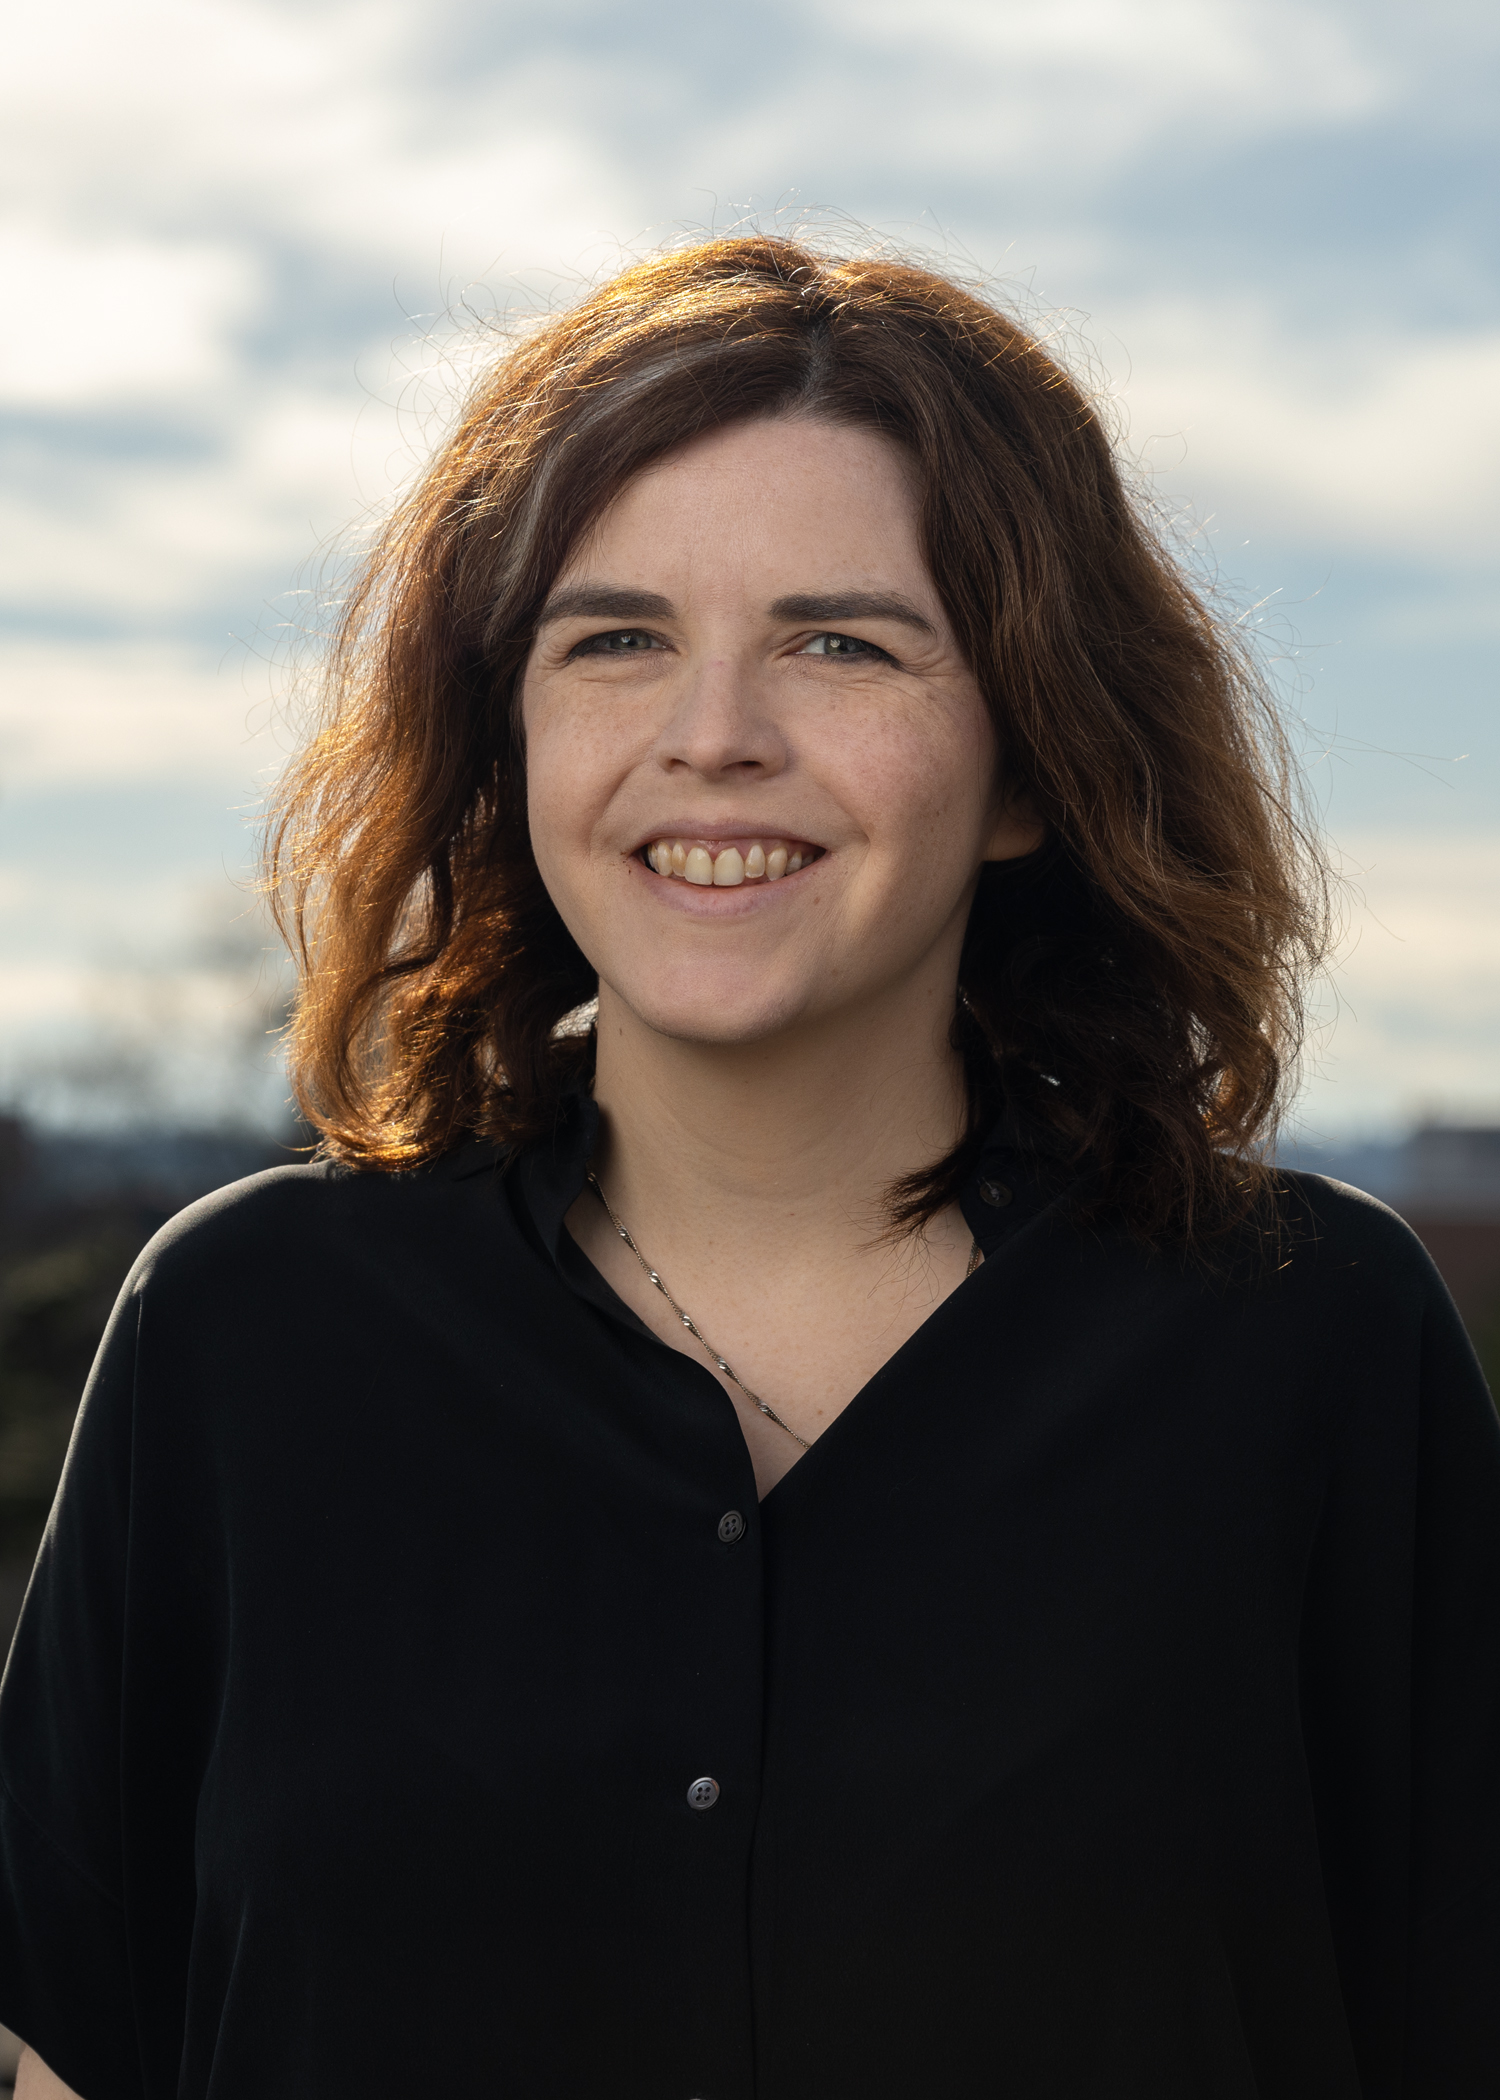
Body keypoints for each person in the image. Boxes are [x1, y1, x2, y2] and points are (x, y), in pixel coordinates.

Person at [2, 234, 1496, 2100]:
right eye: (615, 640)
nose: (713, 738)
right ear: (512, 733)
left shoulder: (1308, 1345)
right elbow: (68, 2040)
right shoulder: (243, 1336)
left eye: (840, 643)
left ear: (1031, 764)